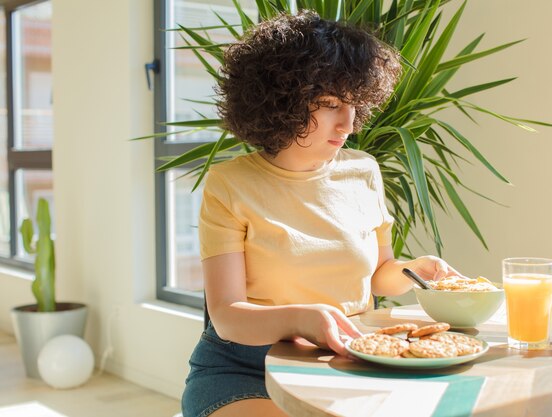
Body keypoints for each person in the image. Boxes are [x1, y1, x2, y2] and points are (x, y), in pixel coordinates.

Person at [181, 10, 465, 417]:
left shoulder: (363, 169)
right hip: (246, 368)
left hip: (348, 362)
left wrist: (414, 270)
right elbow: (227, 316)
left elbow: (379, 271)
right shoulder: (230, 184)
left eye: (353, 104)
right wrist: (302, 319)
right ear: (281, 100)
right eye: (330, 104)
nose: (347, 122)